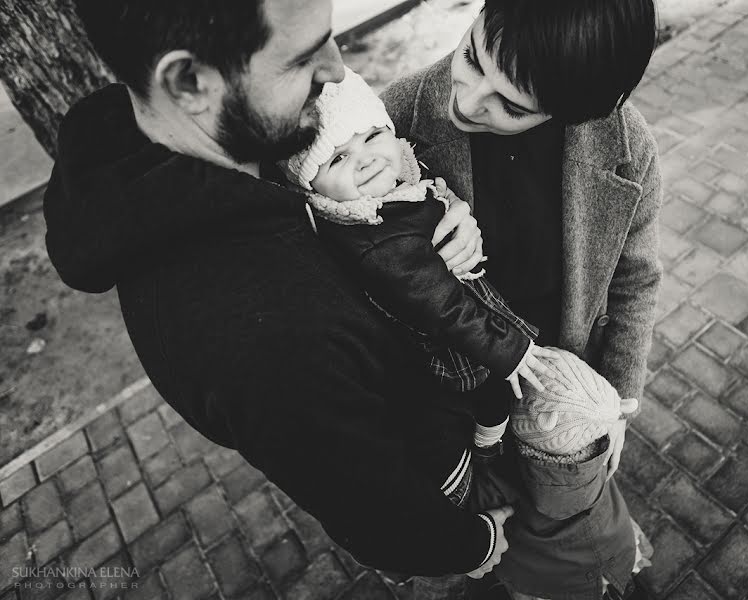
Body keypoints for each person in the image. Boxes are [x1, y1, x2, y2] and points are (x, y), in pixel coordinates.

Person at [43, 0, 514, 580]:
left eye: (329, 36)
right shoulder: (269, 340)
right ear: (189, 82)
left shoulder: (222, 148)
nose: (338, 69)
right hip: (440, 471)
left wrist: (438, 213)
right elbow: (385, 517)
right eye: (300, 57)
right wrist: (474, 545)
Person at [381, 0, 662, 597]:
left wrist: (618, 404)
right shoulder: (393, 119)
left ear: (578, 112)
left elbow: (635, 278)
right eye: (471, 54)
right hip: (452, 405)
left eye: (511, 105)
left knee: (571, 541)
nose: (468, 98)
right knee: (484, 542)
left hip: (559, 393)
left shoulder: (629, 145)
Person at [283, 66, 559, 452]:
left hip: (471, 311)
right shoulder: (375, 239)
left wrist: (449, 199)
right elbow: (441, 305)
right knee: (491, 391)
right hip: (455, 337)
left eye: (373, 136)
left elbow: (425, 188)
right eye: (338, 159)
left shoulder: (391, 184)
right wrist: (508, 350)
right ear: (312, 187)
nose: (365, 160)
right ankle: (488, 444)